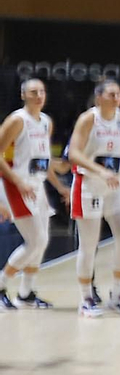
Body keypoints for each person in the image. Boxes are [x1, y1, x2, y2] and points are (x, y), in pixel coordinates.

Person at [66, 80, 120, 317]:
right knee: (89, 245)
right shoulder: (88, 120)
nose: (116, 98)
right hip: (89, 185)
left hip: (118, 186)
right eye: (111, 94)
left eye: (119, 94)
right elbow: (74, 154)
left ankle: (118, 295)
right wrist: (100, 171)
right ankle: (86, 299)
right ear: (99, 98)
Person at [0, 79, 72, 309]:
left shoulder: (46, 122)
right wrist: (19, 182)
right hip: (15, 184)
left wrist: (60, 186)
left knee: (42, 242)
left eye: (42, 91)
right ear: (23, 95)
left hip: (37, 185)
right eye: (33, 92)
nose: (39, 95)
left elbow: (44, 161)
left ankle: (25, 293)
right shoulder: (17, 120)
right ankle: (1, 284)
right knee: (36, 241)